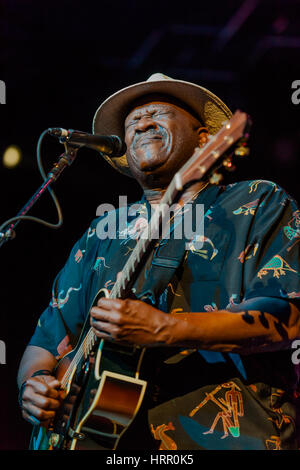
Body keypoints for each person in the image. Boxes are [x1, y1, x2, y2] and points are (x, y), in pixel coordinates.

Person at [17, 73, 300, 450]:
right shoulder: (105, 228)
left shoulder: (256, 201)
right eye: (132, 122)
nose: (142, 123)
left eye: (157, 114)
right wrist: (34, 386)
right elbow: (46, 339)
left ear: (206, 141)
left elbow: (289, 317)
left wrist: (169, 328)